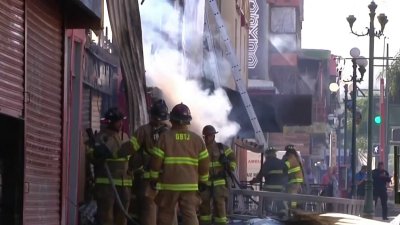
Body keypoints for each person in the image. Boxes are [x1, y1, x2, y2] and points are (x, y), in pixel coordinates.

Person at [149, 103, 210, 225]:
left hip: (169, 185)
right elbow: (204, 164)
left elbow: (156, 161)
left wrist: (153, 178)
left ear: (172, 119)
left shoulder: (165, 137)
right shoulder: (197, 139)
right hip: (190, 185)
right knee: (190, 214)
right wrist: (203, 181)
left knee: (166, 214)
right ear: (188, 121)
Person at [86, 107, 132, 225]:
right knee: (107, 218)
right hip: (106, 186)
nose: (121, 123)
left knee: (122, 219)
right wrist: (96, 153)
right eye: (118, 121)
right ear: (110, 122)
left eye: (122, 120)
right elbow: (91, 157)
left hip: (124, 185)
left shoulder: (125, 137)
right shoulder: (100, 138)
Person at [128, 99, 170, 225]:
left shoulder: (143, 130)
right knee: (167, 212)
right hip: (168, 181)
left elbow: (131, 150)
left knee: (149, 211)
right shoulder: (171, 133)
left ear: (151, 115)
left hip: (147, 182)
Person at [199, 125, 237, 225]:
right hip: (205, 182)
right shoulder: (200, 148)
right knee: (204, 206)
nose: (207, 138)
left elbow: (233, 159)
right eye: (205, 136)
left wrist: (229, 165)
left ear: (213, 136)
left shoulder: (222, 148)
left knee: (220, 206)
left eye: (209, 136)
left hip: (219, 181)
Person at [250, 146, 288, 215]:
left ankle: (265, 215)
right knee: (280, 204)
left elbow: (260, 176)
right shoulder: (282, 163)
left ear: (267, 154)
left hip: (269, 188)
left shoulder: (267, 163)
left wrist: (253, 181)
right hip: (280, 189)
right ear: (274, 154)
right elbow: (287, 176)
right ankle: (282, 216)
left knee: (265, 204)